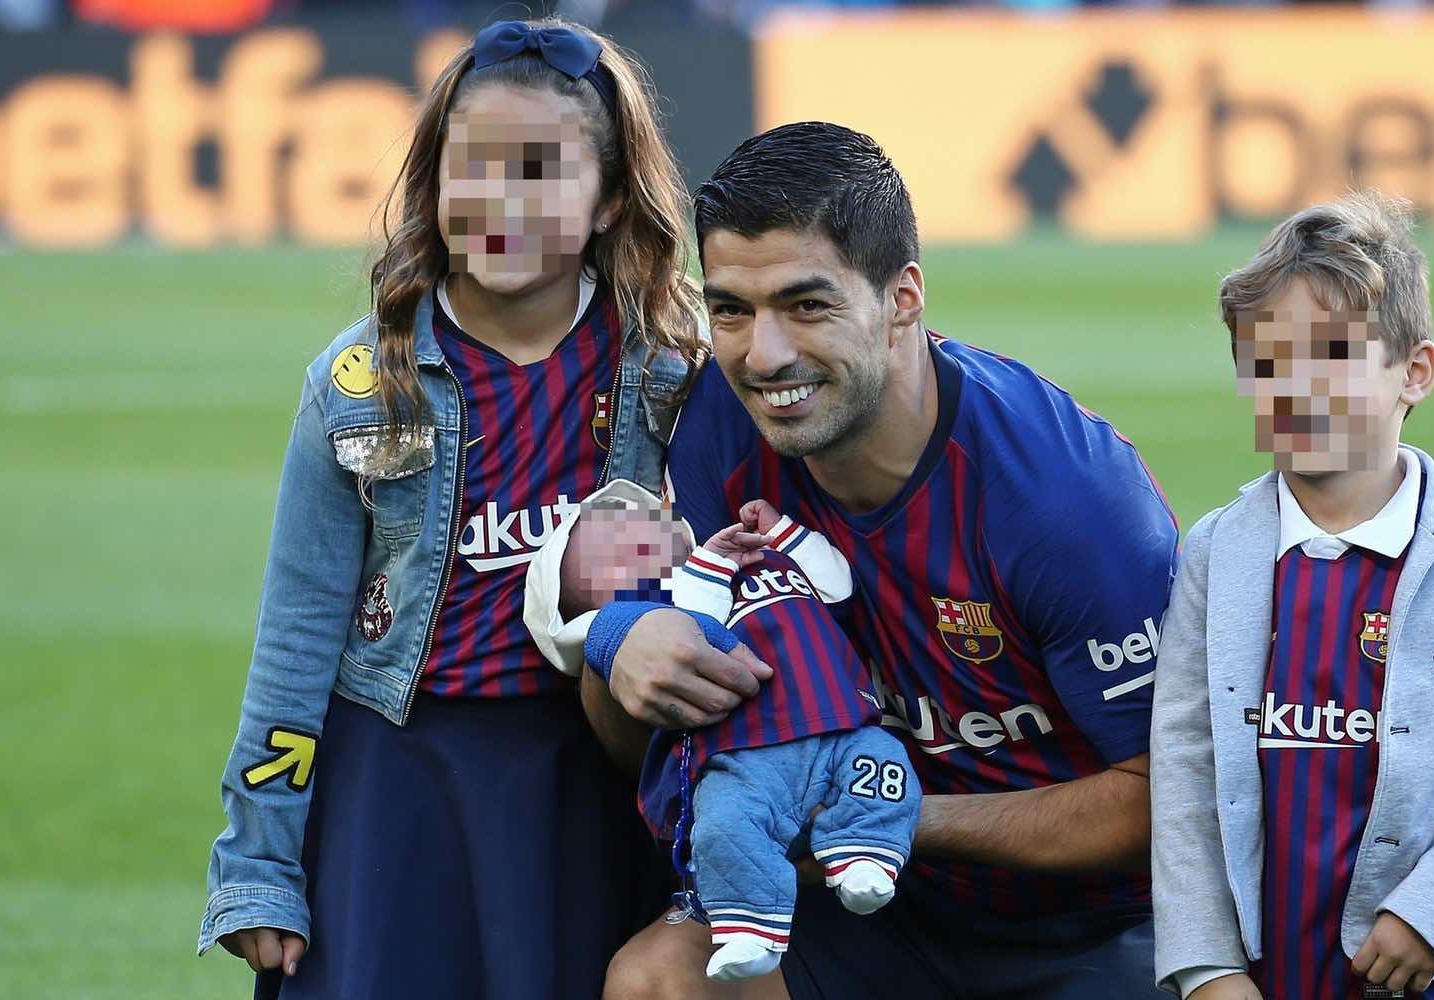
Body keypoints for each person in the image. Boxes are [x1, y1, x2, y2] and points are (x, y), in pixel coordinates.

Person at [525, 121, 1180, 999]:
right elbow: (674, 738)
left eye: (807, 304)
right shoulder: (721, 422)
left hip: (1095, 929)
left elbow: (1158, 799)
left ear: (903, 297)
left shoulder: (1068, 500)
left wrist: (894, 816)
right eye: (731, 310)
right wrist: (620, 652)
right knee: (657, 981)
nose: (764, 356)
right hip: (862, 911)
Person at [197, 19, 732, 998]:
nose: (501, 200)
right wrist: (258, 868)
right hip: (399, 781)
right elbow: (296, 636)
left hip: (592, 778)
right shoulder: (358, 384)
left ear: (609, 198)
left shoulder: (675, 366)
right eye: (472, 166)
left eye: (540, 172)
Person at [1148, 190, 1434, 1000]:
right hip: (1261, 964)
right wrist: (1204, 964)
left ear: (1413, 372)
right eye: (1268, 364)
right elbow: (1184, 767)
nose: (1297, 388)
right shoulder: (1216, 554)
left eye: (1333, 355)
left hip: (1427, 969)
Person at [558, 494, 921, 983]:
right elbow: (696, 625)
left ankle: (864, 856)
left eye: (630, 526)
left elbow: (838, 589)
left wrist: (782, 535)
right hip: (749, 760)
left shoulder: (763, 555)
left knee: (882, 763)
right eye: (608, 559)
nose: (632, 544)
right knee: (724, 825)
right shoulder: (672, 614)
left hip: (842, 721)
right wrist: (695, 575)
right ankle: (748, 925)